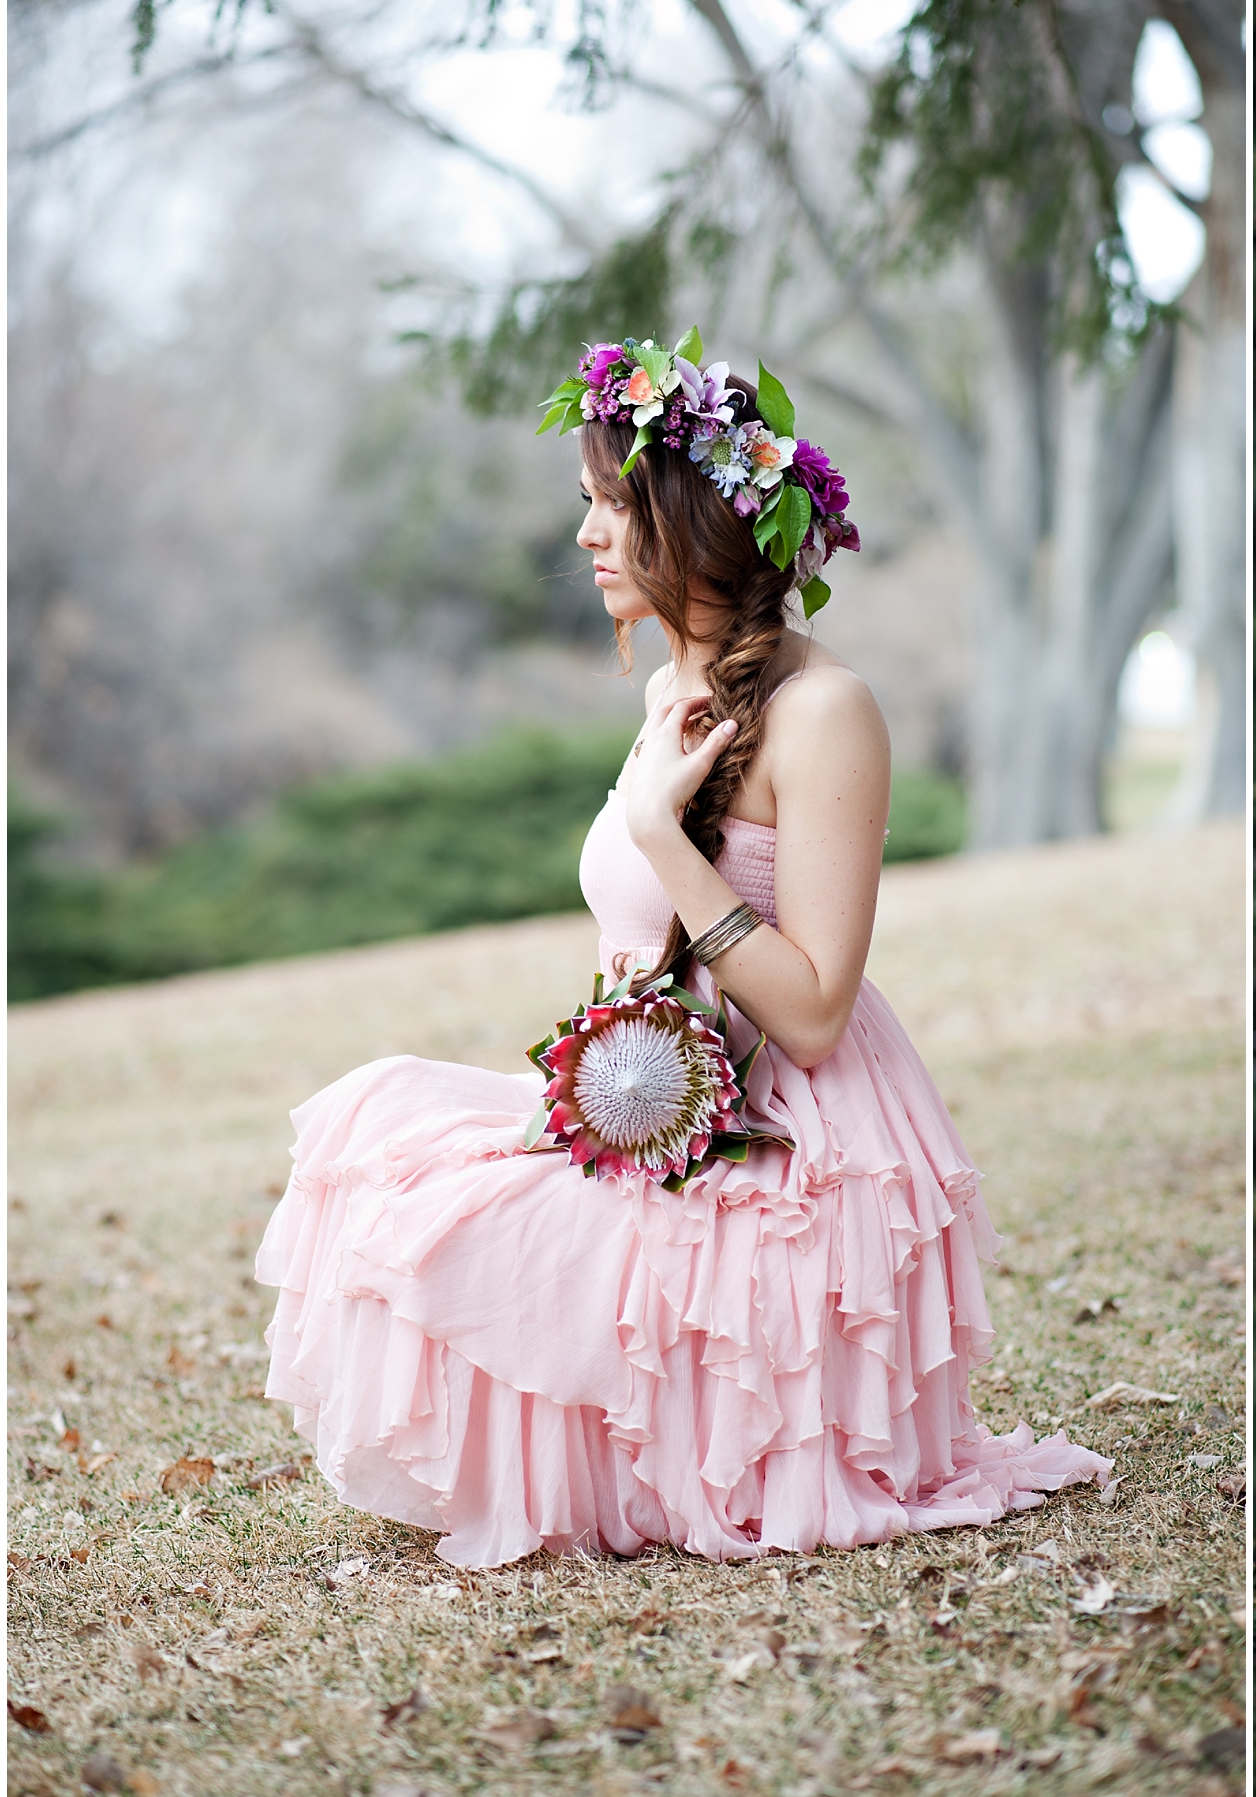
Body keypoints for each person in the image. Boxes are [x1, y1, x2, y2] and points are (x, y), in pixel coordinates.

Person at [256, 332, 1109, 1568]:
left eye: (613, 506)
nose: (591, 537)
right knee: (382, 1135)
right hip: (655, 1106)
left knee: (483, 1235)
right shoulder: (670, 693)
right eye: (588, 509)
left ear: (696, 518)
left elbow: (814, 1012)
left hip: (793, 1136)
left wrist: (665, 836)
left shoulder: (828, 710)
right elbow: (633, 971)